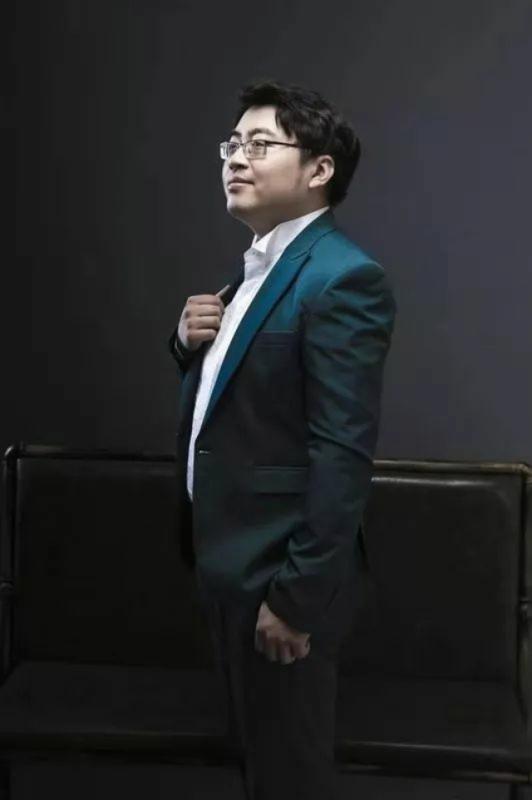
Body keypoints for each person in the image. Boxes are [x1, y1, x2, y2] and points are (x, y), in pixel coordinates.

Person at [168, 79, 397, 800]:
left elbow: (342, 454)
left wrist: (297, 599)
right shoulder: (254, 271)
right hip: (229, 564)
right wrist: (184, 344)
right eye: (233, 144)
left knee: (286, 777)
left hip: (279, 579)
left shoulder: (343, 278)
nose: (236, 158)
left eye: (260, 144)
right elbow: (247, 397)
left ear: (319, 168)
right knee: (256, 765)